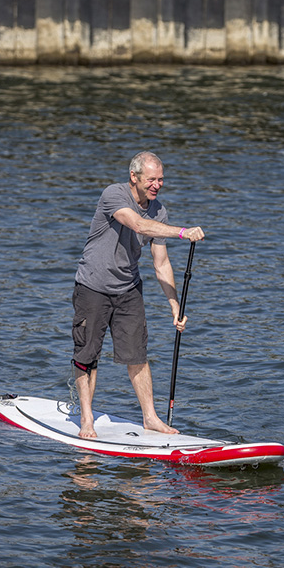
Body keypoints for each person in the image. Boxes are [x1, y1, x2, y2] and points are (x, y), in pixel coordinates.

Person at [71, 151, 204, 438]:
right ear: (134, 177)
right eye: (151, 179)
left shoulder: (159, 211)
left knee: (138, 354)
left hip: (128, 288)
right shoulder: (113, 195)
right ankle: (86, 420)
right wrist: (183, 232)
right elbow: (138, 225)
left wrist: (174, 305)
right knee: (88, 355)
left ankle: (150, 418)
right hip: (93, 286)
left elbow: (161, 263)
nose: (157, 185)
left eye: (161, 180)